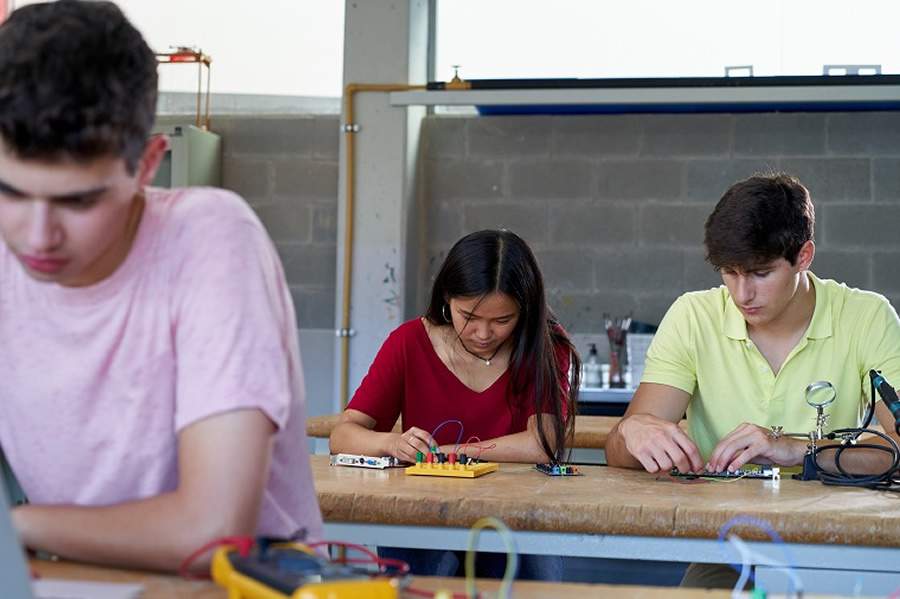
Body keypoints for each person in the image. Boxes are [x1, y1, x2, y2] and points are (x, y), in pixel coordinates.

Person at [0, 1, 322, 571]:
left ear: (148, 165)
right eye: (10, 193)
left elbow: (213, 533)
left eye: (78, 201)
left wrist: (16, 525)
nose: (38, 235)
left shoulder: (211, 237)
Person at [606, 172, 900, 587]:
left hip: (836, 537)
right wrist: (632, 431)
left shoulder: (867, 317)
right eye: (729, 272)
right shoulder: (693, 317)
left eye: (761, 273)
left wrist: (797, 450)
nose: (742, 294)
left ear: (804, 256)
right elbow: (620, 451)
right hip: (728, 544)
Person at [329, 229, 580, 579]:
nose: (483, 334)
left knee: (531, 581)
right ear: (446, 298)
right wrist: (392, 443)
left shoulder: (546, 347)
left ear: (526, 310)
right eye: (469, 317)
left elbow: (543, 442)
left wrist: (445, 454)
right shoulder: (409, 342)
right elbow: (343, 435)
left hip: (517, 514)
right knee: (419, 580)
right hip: (424, 511)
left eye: (502, 321)